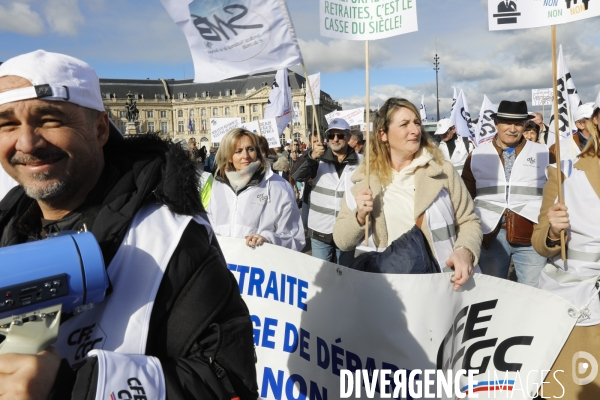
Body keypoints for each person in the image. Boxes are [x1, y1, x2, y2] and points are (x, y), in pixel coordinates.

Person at [0, 50, 257, 399]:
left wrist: (73, 389)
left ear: (101, 129)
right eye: (6, 124)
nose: (26, 142)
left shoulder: (172, 237)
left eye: (49, 120)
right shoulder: (6, 228)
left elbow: (229, 385)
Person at [333, 98, 482, 289]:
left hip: (440, 285)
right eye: (404, 124)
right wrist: (359, 217)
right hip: (384, 289)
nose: (415, 130)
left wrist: (465, 250)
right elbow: (342, 241)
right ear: (383, 134)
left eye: (417, 123)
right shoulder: (363, 179)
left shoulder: (442, 171)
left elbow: (469, 220)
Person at [531, 93, 600, 397]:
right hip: (581, 305)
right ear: (595, 121)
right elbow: (539, 240)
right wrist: (552, 231)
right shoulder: (566, 173)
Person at [462, 100, 549, 287]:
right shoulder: (477, 155)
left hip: (531, 235)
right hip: (490, 235)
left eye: (517, 123)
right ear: (496, 124)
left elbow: (556, 192)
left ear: (525, 125)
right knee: (492, 291)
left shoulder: (544, 153)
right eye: (506, 123)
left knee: (533, 291)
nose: (512, 128)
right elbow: (465, 197)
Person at [207, 128, 304, 251]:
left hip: (260, 266)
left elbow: (296, 239)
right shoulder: (218, 186)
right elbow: (209, 228)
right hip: (223, 265)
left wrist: (268, 239)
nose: (245, 156)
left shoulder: (279, 187)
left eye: (250, 149)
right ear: (229, 157)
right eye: (238, 151)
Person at [291, 118, 361, 265]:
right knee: (322, 275)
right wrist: (310, 157)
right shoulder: (317, 158)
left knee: (344, 274)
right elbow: (296, 175)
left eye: (340, 136)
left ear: (348, 137)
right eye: (331, 136)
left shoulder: (361, 161)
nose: (335, 139)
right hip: (320, 229)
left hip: (347, 228)